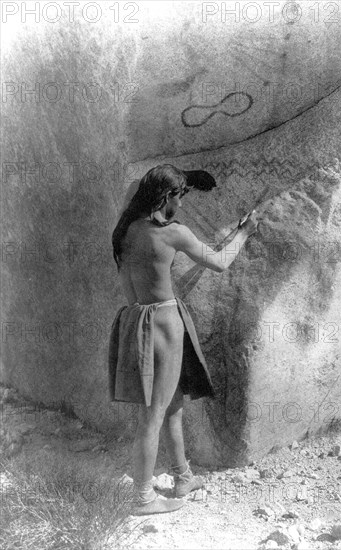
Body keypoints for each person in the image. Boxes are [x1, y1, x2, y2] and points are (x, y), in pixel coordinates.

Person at [109, 164, 259, 515]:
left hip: (136, 319)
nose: (183, 204)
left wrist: (184, 177)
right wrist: (245, 232)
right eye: (180, 196)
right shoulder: (171, 233)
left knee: (172, 405)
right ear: (166, 197)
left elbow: (140, 186)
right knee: (154, 414)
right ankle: (143, 498)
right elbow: (220, 262)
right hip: (163, 321)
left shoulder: (126, 228)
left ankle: (183, 476)